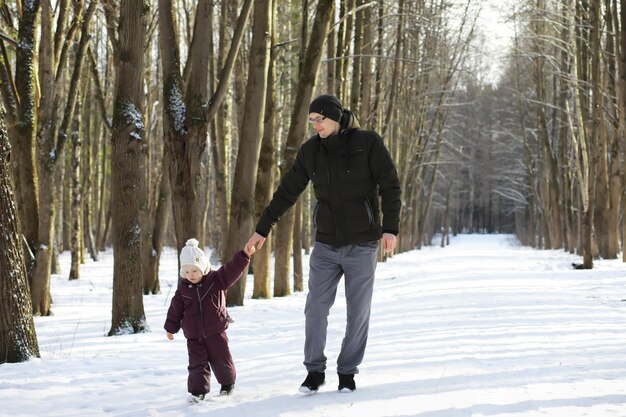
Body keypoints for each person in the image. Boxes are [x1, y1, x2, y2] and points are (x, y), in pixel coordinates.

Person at [247, 94, 401, 393]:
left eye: (320, 119)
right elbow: (287, 191)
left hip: (363, 243)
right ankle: (314, 371)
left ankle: (347, 372)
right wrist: (262, 229)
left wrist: (391, 228)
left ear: (336, 117)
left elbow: (390, 185)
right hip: (327, 245)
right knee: (315, 307)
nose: (316, 125)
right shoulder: (310, 151)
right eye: (312, 120)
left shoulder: (367, 143)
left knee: (358, 311)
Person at [164, 238, 255, 403]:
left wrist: (244, 255)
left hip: (215, 331)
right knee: (197, 365)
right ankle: (198, 392)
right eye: (187, 271)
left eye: (194, 270)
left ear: (203, 267)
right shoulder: (183, 289)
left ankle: (227, 385)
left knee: (221, 359)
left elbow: (231, 270)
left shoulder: (216, 280)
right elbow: (175, 310)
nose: (190, 275)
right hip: (194, 336)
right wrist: (171, 328)